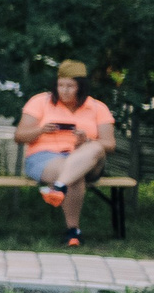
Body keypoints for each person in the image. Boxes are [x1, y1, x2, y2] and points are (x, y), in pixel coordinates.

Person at [15, 60, 115, 249]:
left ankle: (59, 186)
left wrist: (85, 141)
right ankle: (73, 232)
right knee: (75, 175)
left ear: (81, 87)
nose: (65, 90)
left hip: (88, 159)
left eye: (70, 86)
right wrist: (41, 130)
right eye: (60, 85)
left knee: (95, 148)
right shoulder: (40, 102)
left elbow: (109, 144)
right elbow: (19, 136)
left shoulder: (97, 107)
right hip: (45, 157)